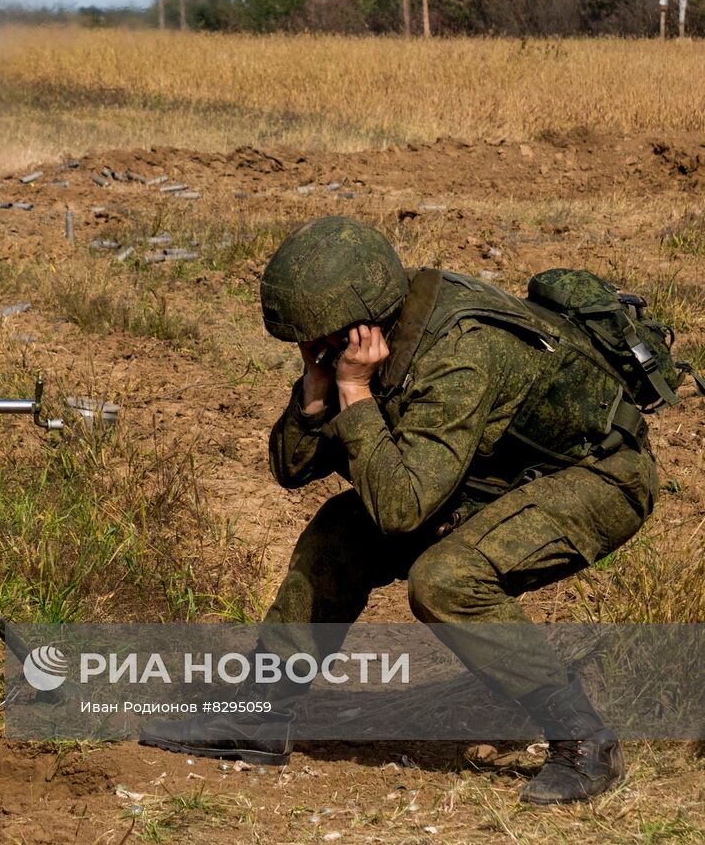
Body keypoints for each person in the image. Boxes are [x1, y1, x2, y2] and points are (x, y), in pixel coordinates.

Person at [141, 216, 657, 805]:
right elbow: (290, 470)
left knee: (447, 580)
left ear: (360, 320)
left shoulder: (460, 355)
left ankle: (586, 741)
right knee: (340, 530)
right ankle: (260, 715)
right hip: (493, 473)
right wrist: (315, 394)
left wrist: (355, 394)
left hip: (598, 475)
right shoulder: (373, 330)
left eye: (324, 344)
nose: (320, 354)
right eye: (310, 348)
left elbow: (402, 511)